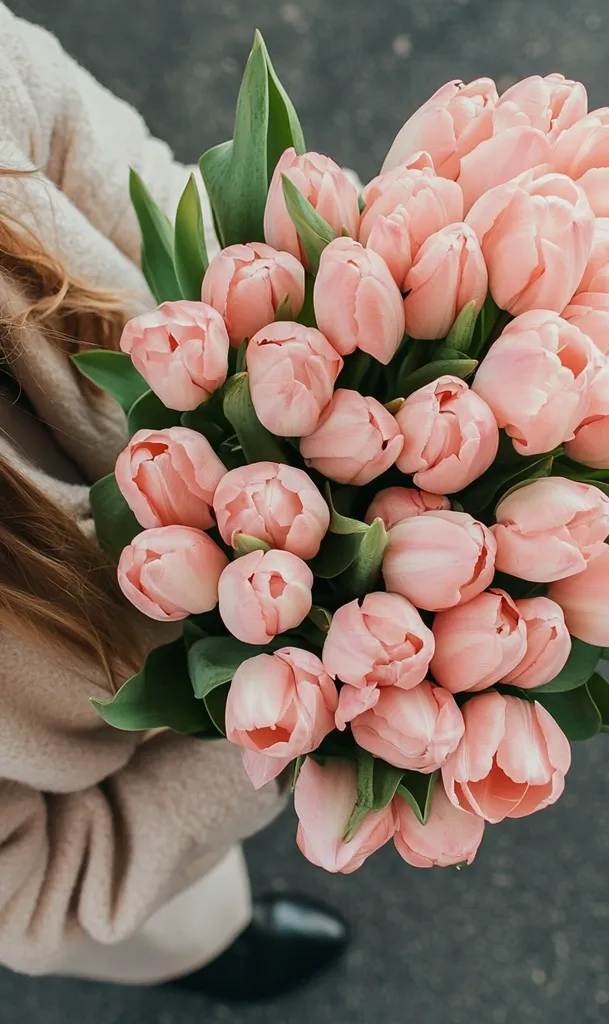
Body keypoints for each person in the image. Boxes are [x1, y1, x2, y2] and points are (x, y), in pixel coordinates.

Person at [0, 3, 347, 1002]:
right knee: (188, 921)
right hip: (113, 797)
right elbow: (34, 888)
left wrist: (341, 342)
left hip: (270, 527)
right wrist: (294, 722)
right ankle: (218, 953)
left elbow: (141, 189)